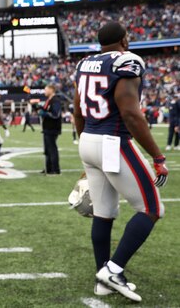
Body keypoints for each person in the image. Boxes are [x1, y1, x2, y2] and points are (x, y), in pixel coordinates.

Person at [73, 22, 168, 302]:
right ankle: (113, 270)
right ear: (125, 40)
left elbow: (77, 110)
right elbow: (130, 113)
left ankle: (103, 278)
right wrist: (157, 156)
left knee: (104, 212)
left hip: (88, 138)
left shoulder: (85, 63)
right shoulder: (128, 61)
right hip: (113, 141)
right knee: (151, 208)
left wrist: (85, 144)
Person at [40, 84, 62, 175]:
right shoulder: (48, 100)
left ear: (51, 90)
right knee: (47, 149)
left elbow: (55, 114)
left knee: (52, 149)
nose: (44, 92)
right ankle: (48, 168)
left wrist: (44, 114)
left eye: (46, 90)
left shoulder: (55, 100)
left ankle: (55, 169)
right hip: (47, 128)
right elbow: (45, 110)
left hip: (52, 128)